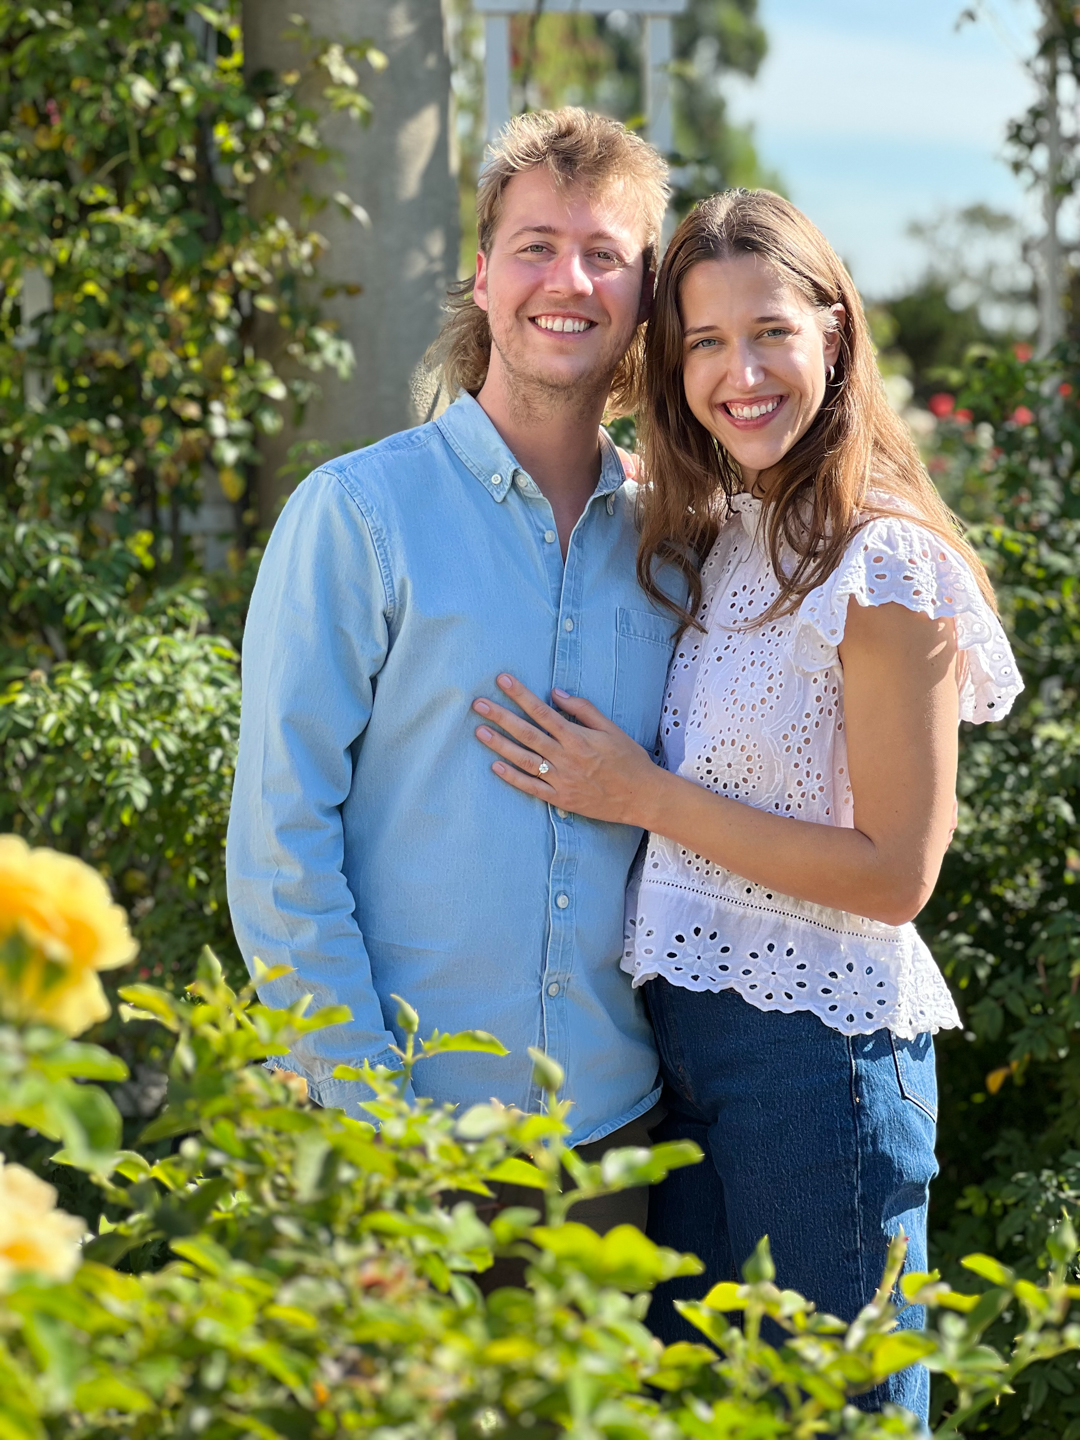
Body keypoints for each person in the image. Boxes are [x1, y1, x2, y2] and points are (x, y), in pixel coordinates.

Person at [470, 188, 1022, 1420]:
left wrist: (643, 795)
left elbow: (896, 874)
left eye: (769, 330)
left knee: (834, 1415)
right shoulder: (723, 530)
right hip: (680, 1049)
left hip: (817, 1063)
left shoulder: (883, 563)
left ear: (835, 330)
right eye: (705, 344)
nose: (741, 372)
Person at [225, 108, 684, 1236]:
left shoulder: (676, 546)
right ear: (482, 277)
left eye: (603, 253)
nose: (565, 280)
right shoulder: (359, 514)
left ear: (644, 294)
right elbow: (281, 836)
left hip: (614, 1150)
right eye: (534, 246)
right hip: (396, 1139)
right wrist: (363, 1112)